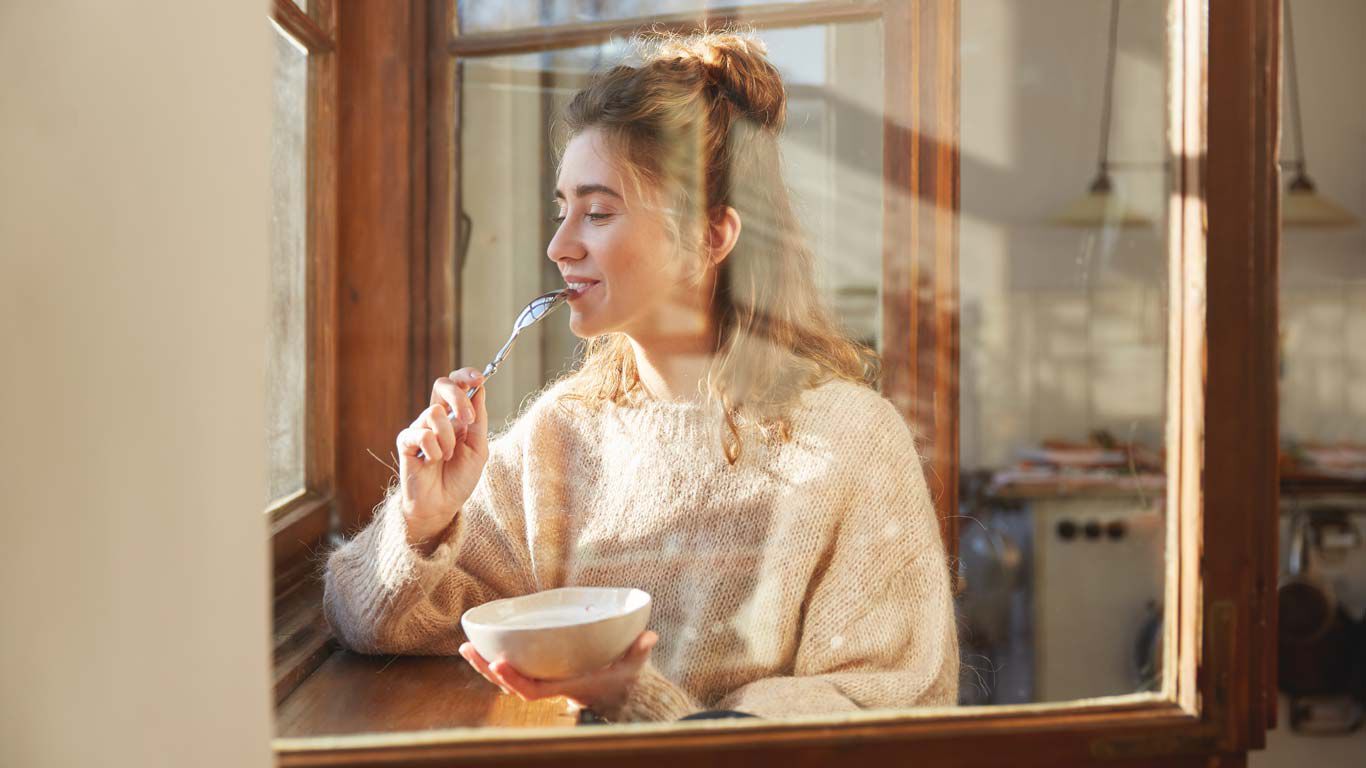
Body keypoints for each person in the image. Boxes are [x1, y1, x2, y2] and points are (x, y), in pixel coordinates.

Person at [322, 29, 960, 724]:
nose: (559, 247)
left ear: (712, 237)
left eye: (598, 212)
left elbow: (882, 707)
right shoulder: (562, 434)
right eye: (561, 210)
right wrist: (423, 520)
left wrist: (637, 702)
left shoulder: (852, 446)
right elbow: (369, 620)